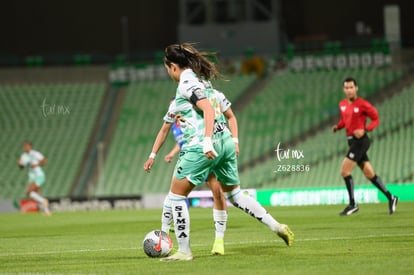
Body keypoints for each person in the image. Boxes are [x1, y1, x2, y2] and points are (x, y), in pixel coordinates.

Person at [143, 43, 293, 262]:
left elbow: (207, 109)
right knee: (235, 194)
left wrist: (205, 142)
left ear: (173, 67)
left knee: (176, 197)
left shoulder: (186, 83)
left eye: (168, 69)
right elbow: (213, 110)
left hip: (202, 146)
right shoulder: (201, 80)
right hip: (225, 142)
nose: (168, 73)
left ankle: (184, 251)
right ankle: (276, 226)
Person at [162, 92, 238, 255]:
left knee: (217, 192)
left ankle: (219, 240)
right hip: (189, 158)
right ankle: (166, 233)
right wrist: (171, 153)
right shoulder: (176, 126)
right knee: (176, 194)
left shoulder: (194, 115)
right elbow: (180, 143)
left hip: (204, 154)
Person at [332, 77, 398, 216]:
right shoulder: (342, 104)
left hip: (361, 141)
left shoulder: (363, 104)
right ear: (344, 90)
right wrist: (338, 127)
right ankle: (391, 197)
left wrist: (366, 129)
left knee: (345, 171)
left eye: (351, 87)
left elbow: (376, 118)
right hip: (351, 140)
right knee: (369, 174)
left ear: (356, 88)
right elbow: (345, 120)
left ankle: (352, 204)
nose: (349, 90)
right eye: (347, 87)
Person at [17, 141, 51, 216]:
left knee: (28, 192)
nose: (25, 148)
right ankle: (46, 210)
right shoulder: (23, 156)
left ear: (30, 146)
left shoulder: (35, 153)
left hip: (39, 175)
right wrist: (19, 164)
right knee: (35, 193)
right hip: (31, 177)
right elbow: (22, 168)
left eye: (26, 146)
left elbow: (45, 161)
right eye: (24, 146)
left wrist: (37, 164)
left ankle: (44, 201)